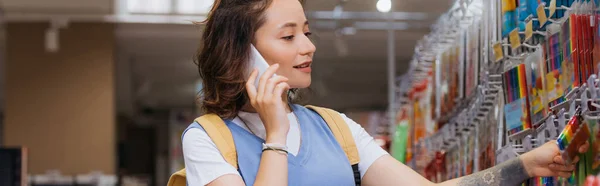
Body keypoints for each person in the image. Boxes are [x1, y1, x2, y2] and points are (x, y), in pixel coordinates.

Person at [182, 0, 589, 185]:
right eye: (289, 36)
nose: (309, 46)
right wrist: (275, 136)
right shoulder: (208, 139)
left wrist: (527, 165)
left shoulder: (335, 128)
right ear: (242, 55)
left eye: (306, 32)